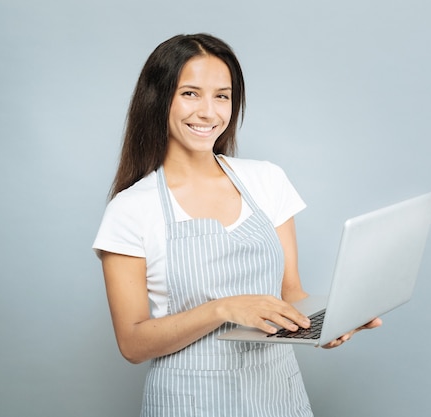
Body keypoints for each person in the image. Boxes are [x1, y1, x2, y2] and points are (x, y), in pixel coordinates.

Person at [93, 33, 381, 417]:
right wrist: (222, 309)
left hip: (278, 393)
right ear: (158, 99)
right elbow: (132, 343)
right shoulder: (131, 209)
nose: (209, 112)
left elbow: (291, 294)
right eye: (190, 93)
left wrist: (328, 324)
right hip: (188, 401)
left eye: (222, 96)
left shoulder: (267, 180)